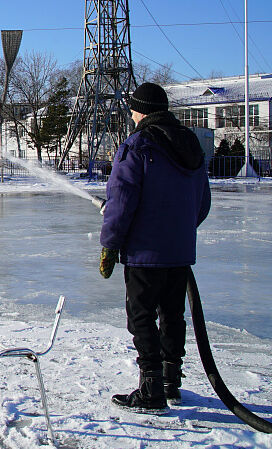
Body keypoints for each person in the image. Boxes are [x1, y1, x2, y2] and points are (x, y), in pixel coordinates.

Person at [98, 82, 211, 415]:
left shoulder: (137, 145)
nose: (131, 115)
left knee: (142, 316)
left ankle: (151, 389)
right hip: (179, 251)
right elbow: (201, 204)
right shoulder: (190, 144)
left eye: (132, 109)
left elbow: (121, 203)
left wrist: (110, 245)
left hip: (144, 254)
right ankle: (170, 382)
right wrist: (178, 233)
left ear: (140, 110)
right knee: (172, 315)